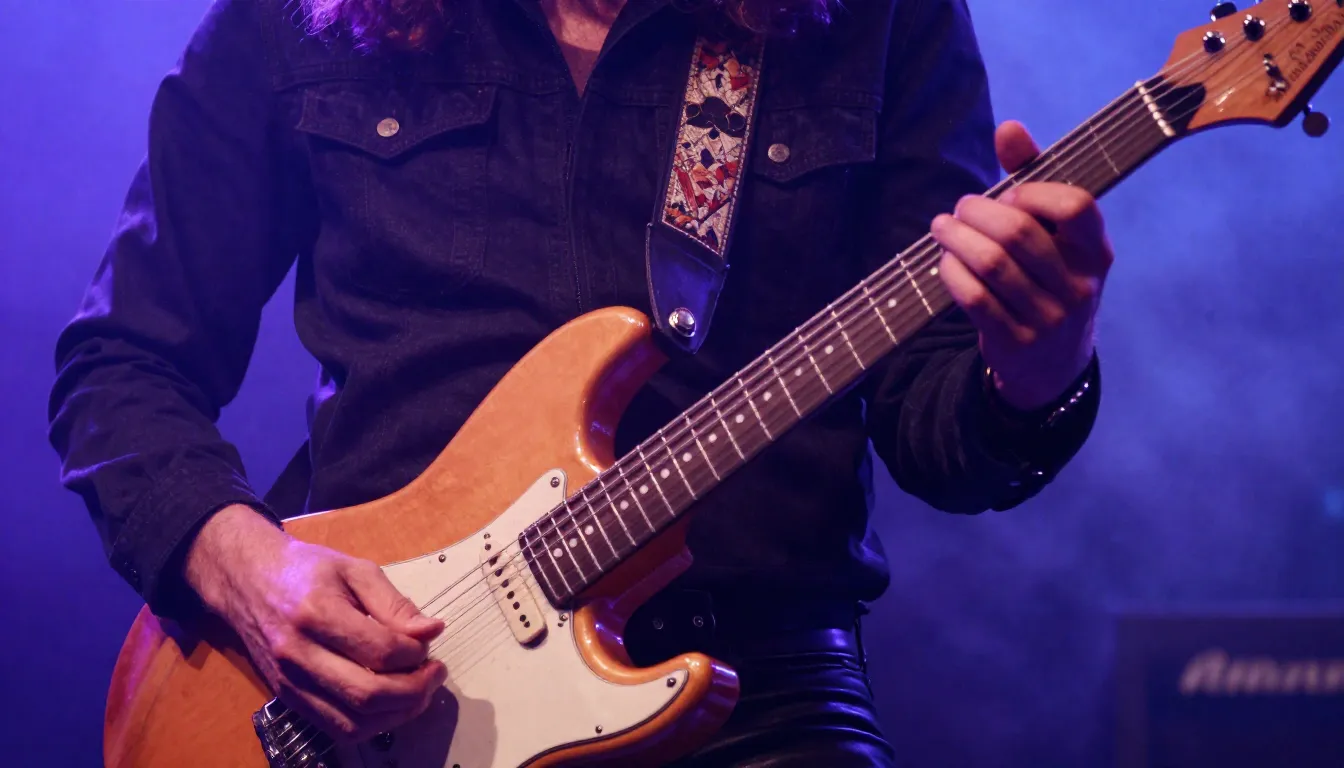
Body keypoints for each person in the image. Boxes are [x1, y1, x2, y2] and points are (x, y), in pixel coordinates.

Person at [48, 0, 1112, 764]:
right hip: (373, 704)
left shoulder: (875, 18)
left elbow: (944, 438)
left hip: (756, 694)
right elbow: (123, 363)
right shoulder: (300, 19)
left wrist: (1039, 362)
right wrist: (251, 572)